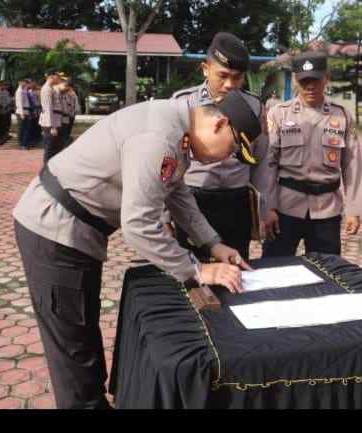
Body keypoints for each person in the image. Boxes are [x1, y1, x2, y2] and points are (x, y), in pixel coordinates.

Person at [13, 89, 262, 409]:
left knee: (83, 341)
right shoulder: (160, 136)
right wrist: (197, 269)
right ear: (219, 124)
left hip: (76, 231)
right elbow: (138, 226)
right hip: (54, 231)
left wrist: (213, 244)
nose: (226, 158)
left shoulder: (178, 128)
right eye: (231, 148)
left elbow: (177, 193)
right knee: (74, 360)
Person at [173, 32, 273, 262]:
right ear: (205, 68)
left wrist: (264, 209)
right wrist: (164, 214)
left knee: (236, 265)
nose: (229, 85)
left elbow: (260, 161)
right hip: (192, 199)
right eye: (223, 75)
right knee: (193, 271)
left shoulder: (254, 107)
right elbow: (167, 164)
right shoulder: (183, 102)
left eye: (237, 78)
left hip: (236, 201)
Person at [262, 50, 362, 258]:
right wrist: (269, 207)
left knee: (327, 273)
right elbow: (268, 164)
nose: (310, 86)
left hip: (327, 210)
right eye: (304, 81)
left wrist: (354, 209)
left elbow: (352, 164)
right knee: (274, 268)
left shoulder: (342, 115)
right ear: (295, 80)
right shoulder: (279, 114)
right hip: (286, 208)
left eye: (316, 80)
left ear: (326, 78)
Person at [15, 79, 32, 150]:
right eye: (23, 82)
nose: (24, 83)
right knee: (22, 129)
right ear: (19, 82)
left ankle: (25, 143)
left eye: (25, 82)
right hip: (21, 112)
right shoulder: (19, 91)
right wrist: (22, 113)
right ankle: (21, 144)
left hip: (26, 111)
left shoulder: (24, 90)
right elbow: (20, 103)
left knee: (26, 128)